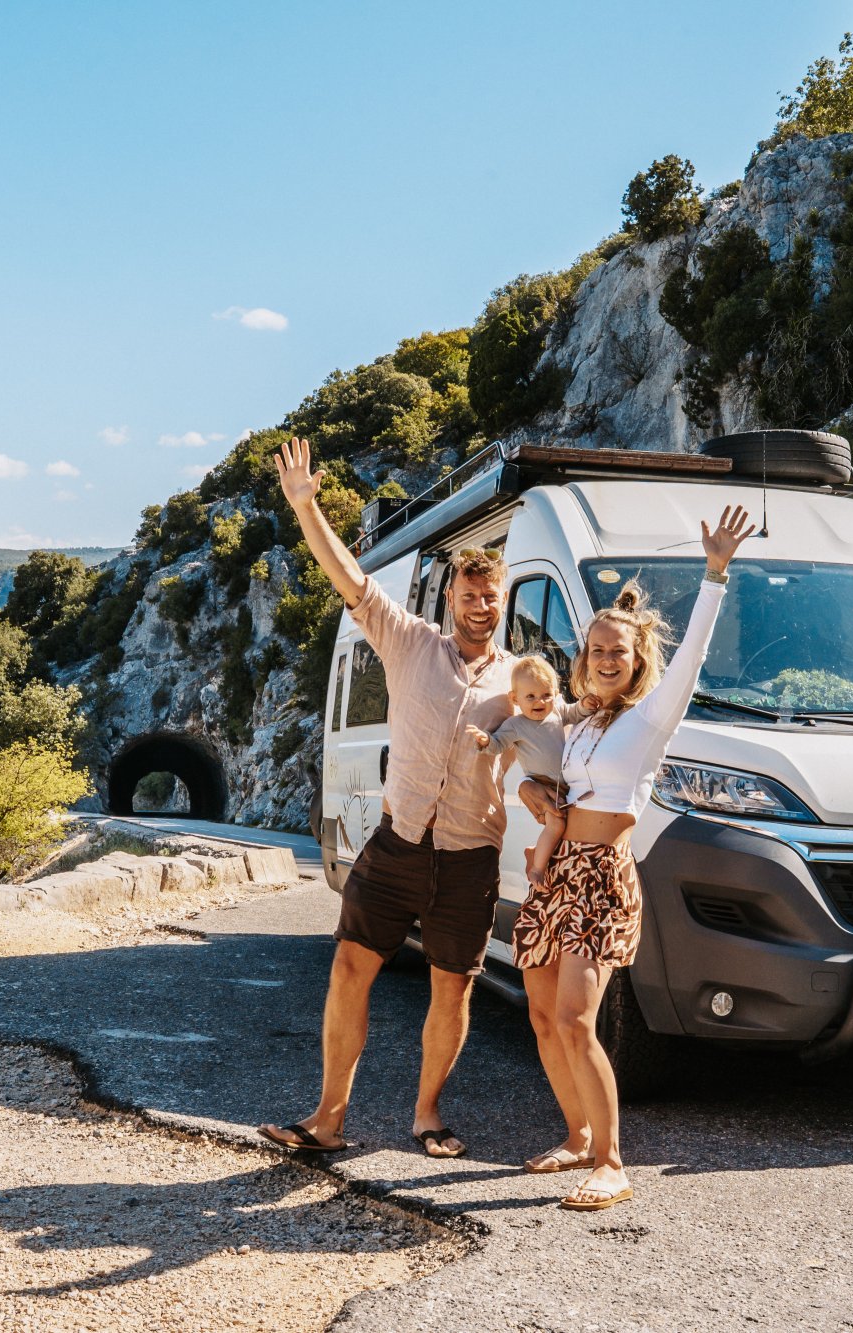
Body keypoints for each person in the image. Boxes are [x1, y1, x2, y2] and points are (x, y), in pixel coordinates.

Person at [258, 437, 515, 1161]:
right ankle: (328, 1118)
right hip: (398, 844)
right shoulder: (409, 643)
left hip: (469, 857)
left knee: (452, 990)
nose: (480, 605)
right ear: (451, 598)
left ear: (501, 602)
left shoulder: (520, 678)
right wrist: (305, 507)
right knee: (349, 968)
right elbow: (349, 576)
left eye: (490, 596)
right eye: (469, 595)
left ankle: (427, 1115)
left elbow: (574, 724)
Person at [512, 502, 754, 1210]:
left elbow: (693, 656)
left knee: (577, 1018)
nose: (606, 659)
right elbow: (538, 761)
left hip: (601, 878)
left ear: (637, 658)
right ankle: (578, 1135)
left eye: (618, 651)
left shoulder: (650, 718)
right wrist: (529, 789)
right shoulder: (582, 721)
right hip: (558, 872)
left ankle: (612, 1162)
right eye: (596, 650)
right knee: (541, 1014)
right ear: (583, 657)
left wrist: (715, 574)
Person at [466, 656, 568, 886]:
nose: (539, 701)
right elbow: (498, 744)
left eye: (546, 695)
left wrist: (587, 705)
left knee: (568, 829)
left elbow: (576, 712)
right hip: (544, 784)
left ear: (555, 694)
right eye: (530, 696)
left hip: (566, 785)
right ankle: (537, 869)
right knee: (557, 825)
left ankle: (537, 852)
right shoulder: (516, 724)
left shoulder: (557, 713)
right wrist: (486, 740)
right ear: (515, 699)